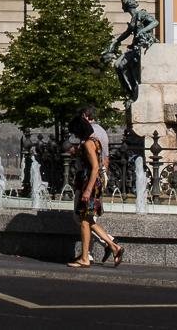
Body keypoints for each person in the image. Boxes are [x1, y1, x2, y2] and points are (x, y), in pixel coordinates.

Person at [66, 113, 123, 269]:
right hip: (91, 184)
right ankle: (113, 246)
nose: (75, 135)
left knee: (84, 221)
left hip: (89, 184)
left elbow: (95, 168)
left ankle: (85, 258)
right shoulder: (93, 141)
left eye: (75, 132)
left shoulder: (88, 144)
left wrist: (87, 190)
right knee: (87, 220)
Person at [81, 105, 119, 264]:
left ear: (85, 115)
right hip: (99, 178)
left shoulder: (89, 134)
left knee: (82, 218)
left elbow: (94, 164)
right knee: (86, 217)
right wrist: (104, 178)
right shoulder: (102, 131)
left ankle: (109, 243)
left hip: (90, 179)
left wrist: (88, 188)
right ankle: (90, 252)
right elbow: (106, 158)